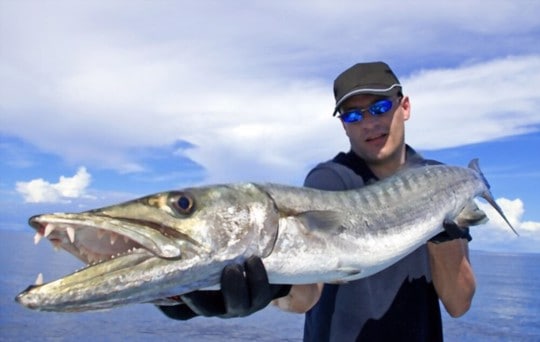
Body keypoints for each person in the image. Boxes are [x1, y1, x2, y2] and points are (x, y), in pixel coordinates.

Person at [158, 61, 476, 341]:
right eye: (353, 114)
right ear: (343, 125)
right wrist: (272, 291)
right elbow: (307, 294)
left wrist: (443, 233)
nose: (368, 123)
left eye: (379, 108)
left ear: (404, 107)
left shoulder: (441, 179)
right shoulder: (329, 181)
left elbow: (459, 304)